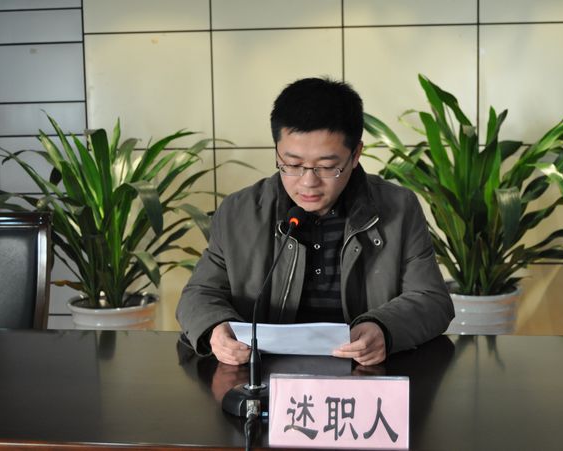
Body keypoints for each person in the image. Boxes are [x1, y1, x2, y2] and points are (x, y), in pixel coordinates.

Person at [176, 77, 454, 366]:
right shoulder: (239, 212)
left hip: (363, 373)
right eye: (292, 164)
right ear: (277, 151)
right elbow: (200, 294)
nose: (308, 182)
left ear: (355, 155)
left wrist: (383, 327)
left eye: (327, 166)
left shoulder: (399, 208)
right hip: (263, 373)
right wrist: (216, 328)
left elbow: (432, 299)